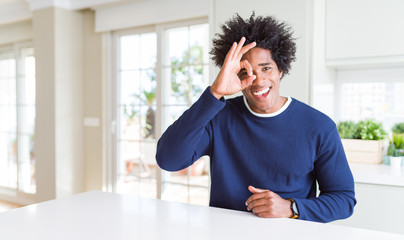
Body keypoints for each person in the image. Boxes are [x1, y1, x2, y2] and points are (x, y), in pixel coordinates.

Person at [156, 13, 356, 223]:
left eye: (266, 68)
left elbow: (343, 200)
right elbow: (168, 160)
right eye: (245, 72)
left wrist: (290, 207)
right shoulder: (218, 116)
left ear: (281, 69)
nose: (258, 81)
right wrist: (215, 93)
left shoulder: (319, 127)